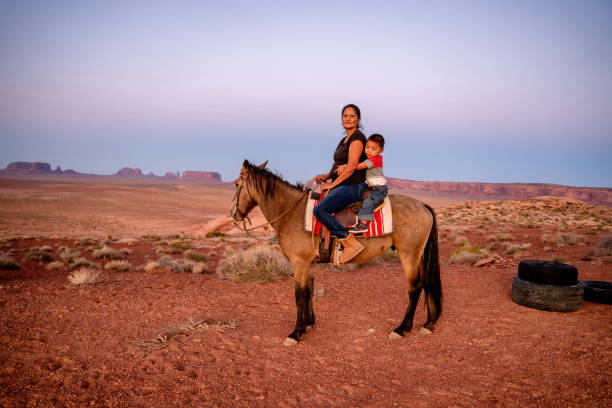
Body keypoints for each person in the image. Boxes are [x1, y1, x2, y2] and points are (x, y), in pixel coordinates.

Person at [313, 104, 367, 263]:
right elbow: (339, 164)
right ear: (341, 119)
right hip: (344, 183)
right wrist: (327, 176)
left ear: (358, 119)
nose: (348, 119)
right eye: (345, 116)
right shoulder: (344, 140)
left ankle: (349, 243)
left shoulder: (357, 138)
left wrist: (332, 184)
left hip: (354, 185)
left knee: (320, 209)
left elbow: (350, 167)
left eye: (352, 116)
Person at [346, 133, 388, 234]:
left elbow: (358, 167)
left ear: (381, 150)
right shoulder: (370, 158)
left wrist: (346, 166)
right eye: (367, 147)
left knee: (368, 202)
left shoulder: (375, 160)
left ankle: (362, 224)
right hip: (372, 187)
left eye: (373, 149)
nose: (369, 150)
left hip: (379, 189)